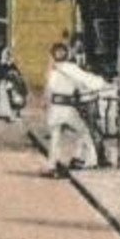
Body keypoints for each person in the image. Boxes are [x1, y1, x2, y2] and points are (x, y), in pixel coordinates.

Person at [45, 41, 109, 176]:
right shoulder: (69, 67)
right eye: (59, 51)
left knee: (55, 137)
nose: (61, 53)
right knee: (84, 130)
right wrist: (102, 83)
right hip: (66, 107)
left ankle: (52, 165)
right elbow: (85, 80)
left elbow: (48, 90)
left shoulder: (52, 68)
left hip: (55, 108)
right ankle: (90, 161)